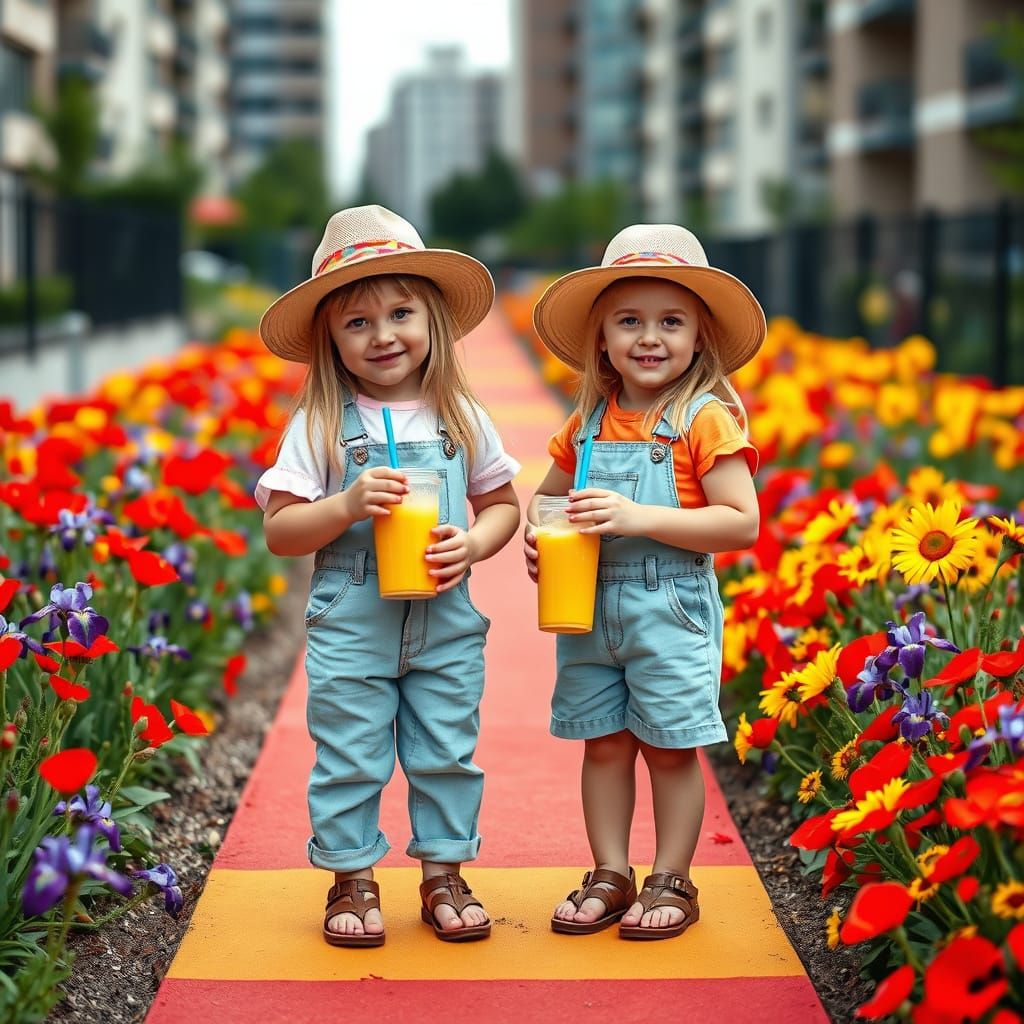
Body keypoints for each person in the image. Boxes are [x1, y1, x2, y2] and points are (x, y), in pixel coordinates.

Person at [256, 206, 520, 947]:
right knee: (349, 751)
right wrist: (344, 505)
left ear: (433, 318)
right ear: (330, 339)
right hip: (353, 619)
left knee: (446, 750)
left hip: (445, 616)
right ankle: (351, 876)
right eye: (358, 323)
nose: (383, 335)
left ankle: (443, 874)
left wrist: (473, 544)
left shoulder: (460, 416)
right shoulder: (319, 425)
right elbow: (281, 531)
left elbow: (503, 504)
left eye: (401, 313)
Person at [524, 224, 764, 940]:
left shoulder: (703, 420)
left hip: (670, 605)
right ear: (601, 338)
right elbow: (546, 498)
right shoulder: (588, 423)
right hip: (587, 604)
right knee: (602, 742)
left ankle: (671, 874)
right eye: (629, 321)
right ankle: (610, 870)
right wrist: (542, 537)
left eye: (671, 322)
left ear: (700, 337)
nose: (650, 337)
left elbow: (740, 523)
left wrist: (639, 516)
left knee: (668, 746)